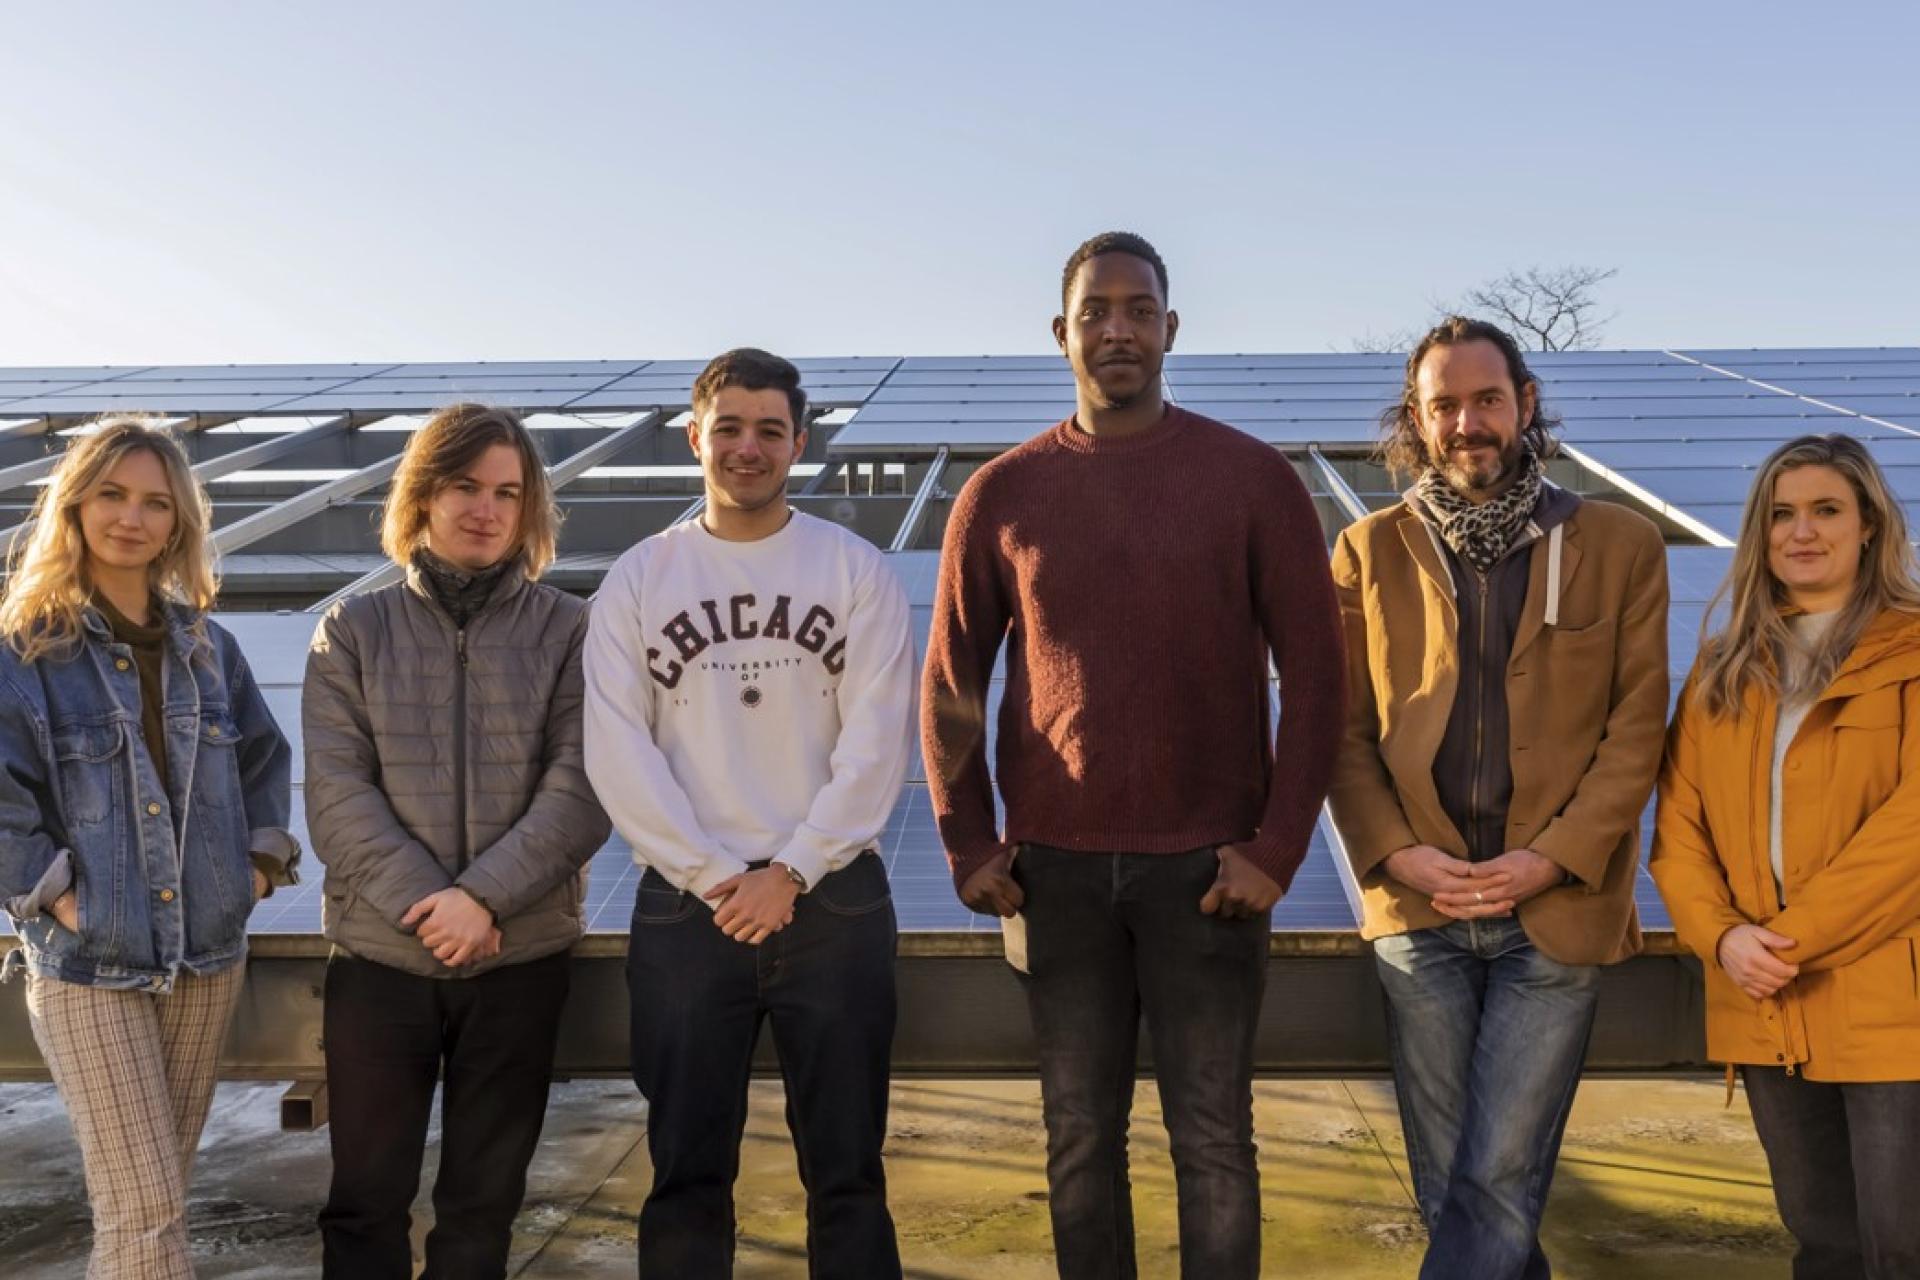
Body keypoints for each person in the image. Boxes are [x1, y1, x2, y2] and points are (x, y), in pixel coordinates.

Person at [922, 231, 1346, 1279]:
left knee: (1214, 1141)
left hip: (1211, 873)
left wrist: (1277, 849)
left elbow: (1321, 679)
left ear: (1171, 328)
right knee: (1078, 1141)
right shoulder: (1001, 493)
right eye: (1096, 311)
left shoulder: (1253, 479)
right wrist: (969, 840)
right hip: (1054, 874)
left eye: (1139, 309)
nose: (1118, 328)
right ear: (1061, 333)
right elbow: (949, 683)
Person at [1326, 316, 1669, 1280]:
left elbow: (1637, 729)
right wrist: (1398, 854)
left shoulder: (1621, 543)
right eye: (1444, 405)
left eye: (1486, 399)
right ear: (1417, 419)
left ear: (1525, 403)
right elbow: (1340, 732)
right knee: (1456, 1185)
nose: (1466, 423)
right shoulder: (1365, 551)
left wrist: (1550, 858)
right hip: (1419, 903)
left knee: (1497, 1177)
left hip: (1556, 907)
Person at [584, 348, 915, 1279]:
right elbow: (617, 748)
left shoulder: (854, 569)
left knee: (848, 1174)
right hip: (688, 909)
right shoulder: (639, 578)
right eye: (728, 428)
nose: (747, 447)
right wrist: (717, 876)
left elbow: (878, 743)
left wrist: (793, 870)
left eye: (770, 430)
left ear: (799, 444)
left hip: (832, 901)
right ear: (695, 437)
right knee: (686, 1174)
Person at [305, 402, 609, 1280]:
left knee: (483, 1207)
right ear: (423, 496)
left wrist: (482, 900)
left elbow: (583, 784)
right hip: (380, 958)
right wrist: (432, 906)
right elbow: (337, 794)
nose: (485, 509)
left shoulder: (571, 629)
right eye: (465, 486)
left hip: (517, 955)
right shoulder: (353, 629)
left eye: (507, 493)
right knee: (365, 1201)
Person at [0, 417, 295, 1280]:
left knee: (153, 1201)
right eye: (112, 495)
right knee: (145, 1208)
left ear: (178, 523)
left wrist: (254, 872)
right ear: (75, 505)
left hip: (206, 956)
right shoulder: (26, 653)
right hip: (89, 962)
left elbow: (263, 764)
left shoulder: (209, 649)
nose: (131, 518)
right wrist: (59, 896)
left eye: (155, 503)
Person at [1653, 433, 1920, 1278]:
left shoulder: (1913, 654)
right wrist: (1723, 938)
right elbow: (1679, 834)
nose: (1801, 531)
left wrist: (1784, 942)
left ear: (1870, 525)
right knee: (1823, 1245)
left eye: (1826, 510)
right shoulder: (1723, 672)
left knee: (1903, 1246)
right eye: (1781, 514)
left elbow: (1910, 837)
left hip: (1894, 1008)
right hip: (1763, 1004)